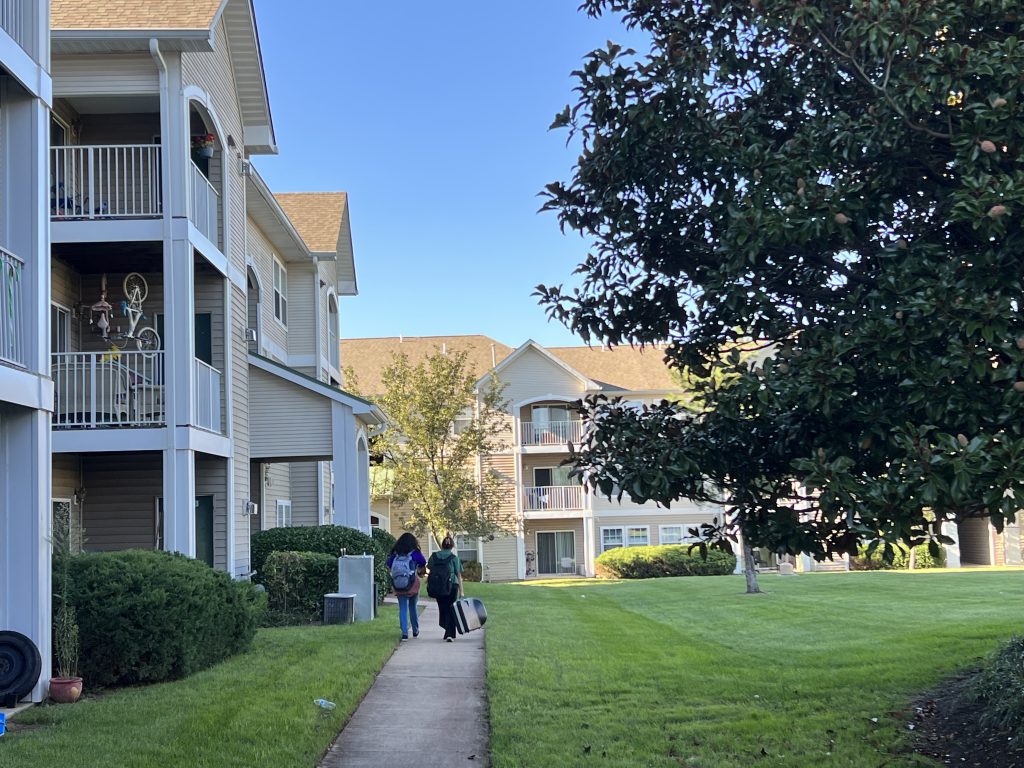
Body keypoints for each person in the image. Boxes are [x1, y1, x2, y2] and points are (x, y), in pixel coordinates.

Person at [387, 532, 427, 641]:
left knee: (403, 608)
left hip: (399, 584)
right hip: (412, 583)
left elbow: (389, 564)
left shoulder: (396, 554)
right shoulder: (414, 553)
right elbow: (423, 562)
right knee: (413, 606)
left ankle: (404, 633)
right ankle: (415, 630)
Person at [427, 535, 464, 642]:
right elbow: (459, 575)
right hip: (452, 585)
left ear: (442, 545)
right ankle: (450, 634)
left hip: (438, 586)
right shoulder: (454, 558)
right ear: (452, 546)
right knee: (451, 608)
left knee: (442, 608)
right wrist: (462, 592)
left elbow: (429, 569)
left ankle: (445, 627)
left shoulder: (434, 557)